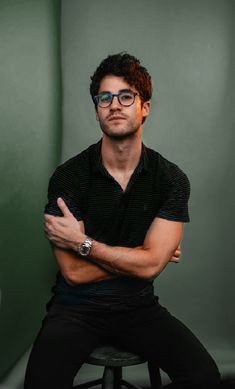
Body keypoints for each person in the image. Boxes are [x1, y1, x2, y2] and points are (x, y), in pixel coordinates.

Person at [24, 53, 221, 389]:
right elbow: (74, 272)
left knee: (204, 377)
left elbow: (144, 267)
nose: (114, 104)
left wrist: (82, 243)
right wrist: (146, 256)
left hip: (137, 308)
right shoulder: (68, 177)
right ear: (97, 108)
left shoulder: (171, 179)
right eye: (105, 97)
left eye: (126, 96)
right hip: (75, 309)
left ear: (144, 106)